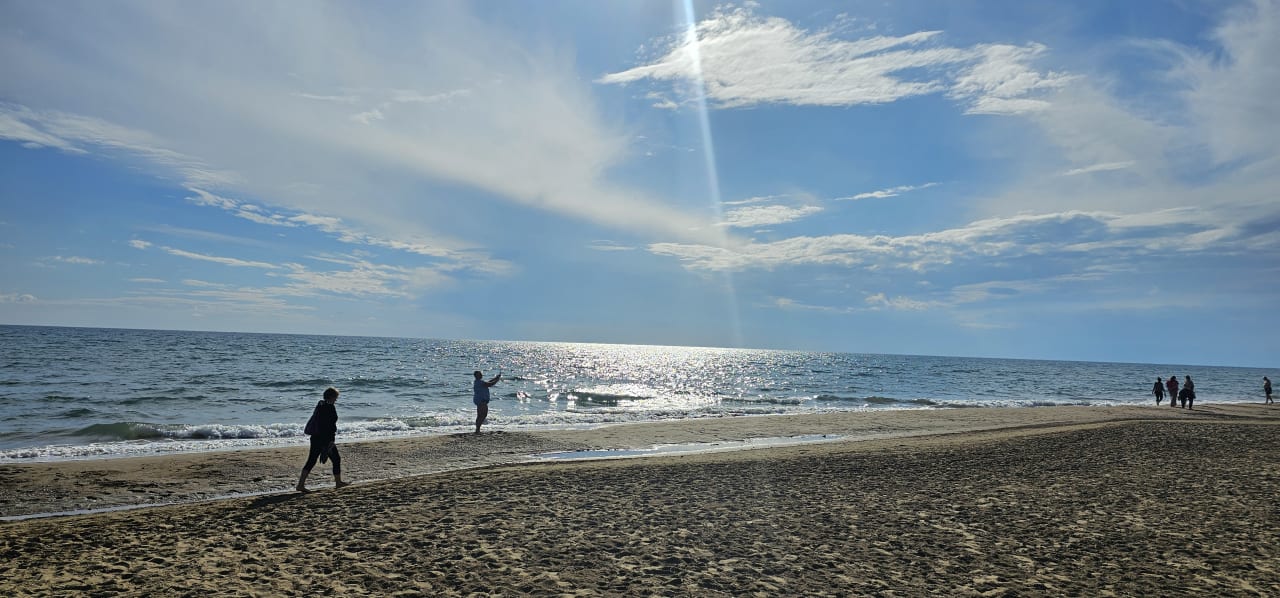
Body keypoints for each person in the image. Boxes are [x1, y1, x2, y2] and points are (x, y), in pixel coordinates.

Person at [296, 387, 350, 492]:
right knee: (336, 459)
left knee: (312, 460)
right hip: (325, 439)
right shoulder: (329, 408)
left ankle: (300, 485)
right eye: (336, 397)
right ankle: (338, 482)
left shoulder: (320, 405)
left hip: (316, 437)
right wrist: (330, 441)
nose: (336, 399)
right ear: (331, 397)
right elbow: (329, 426)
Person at [472, 370, 502, 435]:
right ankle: (477, 430)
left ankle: (477, 430)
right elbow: (490, 384)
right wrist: (497, 380)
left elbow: (488, 382)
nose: (481, 375)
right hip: (482, 401)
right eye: (480, 374)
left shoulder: (478, 382)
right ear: (477, 376)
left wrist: (495, 378)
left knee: (480, 415)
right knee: (483, 415)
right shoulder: (480, 382)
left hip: (479, 401)